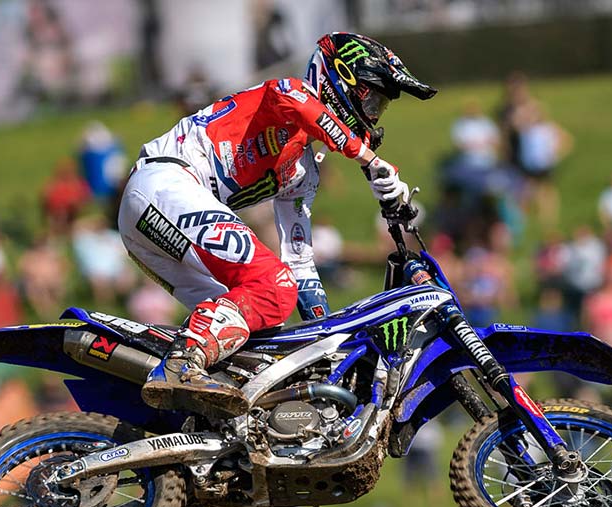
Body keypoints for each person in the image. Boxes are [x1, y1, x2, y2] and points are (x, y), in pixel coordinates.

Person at [116, 32, 435, 419]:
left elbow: (300, 262)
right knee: (273, 284)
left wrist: (329, 342)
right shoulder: (292, 94)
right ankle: (182, 366)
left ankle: (197, 430)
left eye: (379, 107)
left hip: (152, 218)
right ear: (342, 80)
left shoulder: (302, 172)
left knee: (264, 325)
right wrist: (366, 158)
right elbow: (291, 99)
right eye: (372, 99)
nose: (372, 114)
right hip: (165, 183)